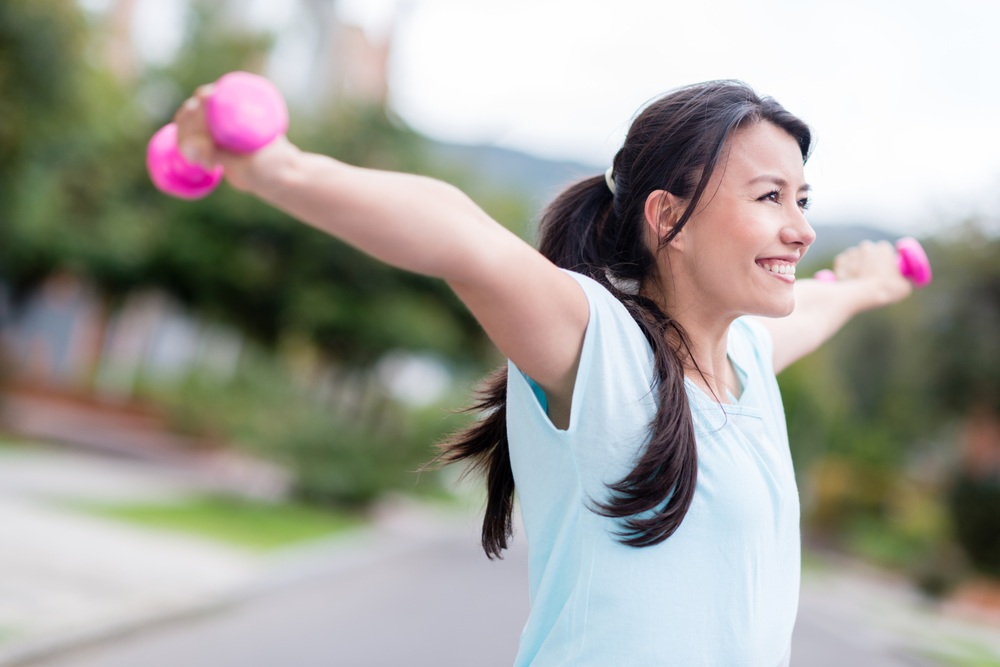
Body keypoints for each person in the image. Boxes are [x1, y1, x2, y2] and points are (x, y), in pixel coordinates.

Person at [173, 79, 913, 666]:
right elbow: (463, 238)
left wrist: (866, 286)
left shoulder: (747, 359)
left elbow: (819, 305)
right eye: (770, 197)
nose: (802, 228)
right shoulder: (602, 350)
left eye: (804, 199)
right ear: (667, 218)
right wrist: (277, 168)